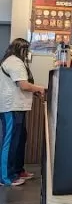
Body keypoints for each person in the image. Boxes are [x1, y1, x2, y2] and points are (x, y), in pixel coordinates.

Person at [0, 38, 45, 186]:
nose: (28, 53)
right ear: (21, 49)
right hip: (11, 107)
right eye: (26, 50)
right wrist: (39, 88)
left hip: (17, 107)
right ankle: (5, 177)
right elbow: (23, 85)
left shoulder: (16, 61)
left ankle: (17, 170)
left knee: (19, 139)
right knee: (11, 141)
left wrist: (35, 91)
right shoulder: (14, 62)